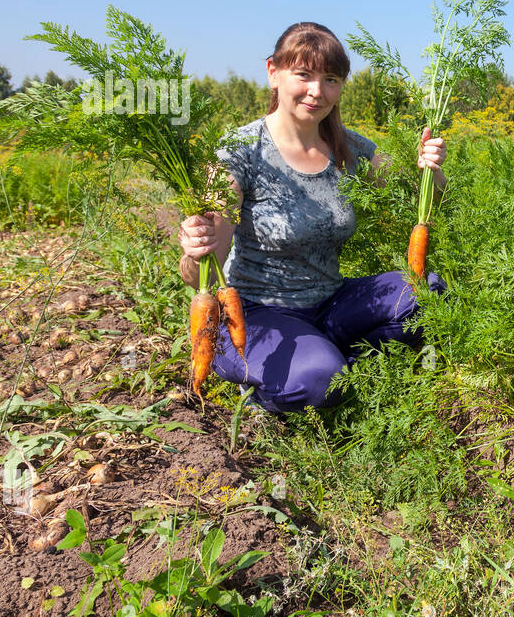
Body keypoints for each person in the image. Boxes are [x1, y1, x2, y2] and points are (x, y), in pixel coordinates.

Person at [177, 21, 448, 413]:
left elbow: (417, 196)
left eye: (331, 79)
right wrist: (195, 250)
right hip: (255, 315)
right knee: (321, 378)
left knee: (428, 294)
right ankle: (278, 380)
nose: (317, 91)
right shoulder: (239, 154)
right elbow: (197, 273)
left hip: (332, 303)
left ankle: (325, 361)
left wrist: (432, 171)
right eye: (303, 75)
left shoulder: (349, 148)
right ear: (273, 72)